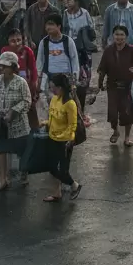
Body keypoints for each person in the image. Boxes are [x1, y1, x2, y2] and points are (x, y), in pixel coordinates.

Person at [0, 50, 32, 191]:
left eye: (5, 66)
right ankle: (3, 179)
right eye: (1, 66)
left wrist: (14, 111)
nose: (2, 68)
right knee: (1, 151)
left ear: (13, 67)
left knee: (22, 151)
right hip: (2, 124)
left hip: (19, 124)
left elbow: (27, 101)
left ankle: (24, 174)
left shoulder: (21, 82)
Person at [96, 24, 133, 146]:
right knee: (112, 112)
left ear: (126, 37)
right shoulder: (108, 50)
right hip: (112, 86)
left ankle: (127, 137)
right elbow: (102, 68)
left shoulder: (132, 50)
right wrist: (100, 82)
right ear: (113, 36)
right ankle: (115, 131)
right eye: (117, 34)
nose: (119, 37)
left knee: (127, 113)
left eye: (122, 35)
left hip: (128, 87)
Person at [43, 72, 82, 202]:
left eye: (54, 87)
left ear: (61, 87)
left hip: (65, 141)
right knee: (52, 168)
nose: (52, 90)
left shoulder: (70, 103)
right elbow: (52, 118)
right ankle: (57, 193)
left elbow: (72, 125)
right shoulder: (54, 99)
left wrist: (68, 139)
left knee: (63, 170)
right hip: (52, 138)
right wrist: (44, 123)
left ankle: (74, 185)